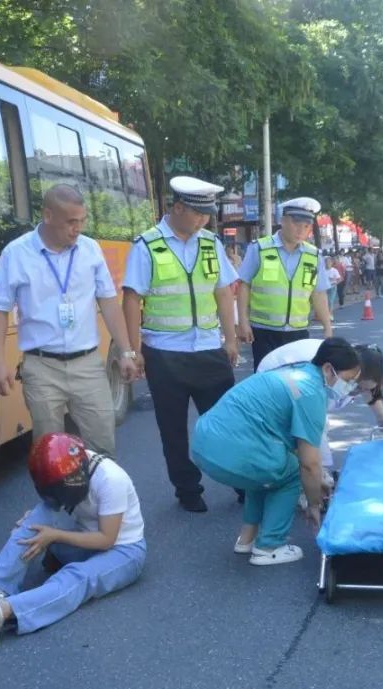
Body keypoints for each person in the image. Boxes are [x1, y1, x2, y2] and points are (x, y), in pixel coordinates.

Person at [0, 432, 146, 643]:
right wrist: (31, 524)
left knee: (77, 576)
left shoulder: (111, 479)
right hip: (85, 538)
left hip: (124, 552)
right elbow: (52, 508)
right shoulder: (64, 472)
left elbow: (107, 539)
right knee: (36, 519)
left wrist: (55, 535)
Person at [0, 184, 137, 455]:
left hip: (88, 365)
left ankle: (98, 499)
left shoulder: (90, 250)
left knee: (103, 447)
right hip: (42, 367)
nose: (77, 228)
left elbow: (109, 303)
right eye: (71, 222)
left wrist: (126, 351)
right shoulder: (17, 253)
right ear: (48, 215)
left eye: (81, 221)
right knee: (50, 453)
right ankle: (58, 500)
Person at [122, 176, 239, 513]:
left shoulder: (210, 243)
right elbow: (132, 299)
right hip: (164, 353)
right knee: (173, 430)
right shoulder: (148, 245)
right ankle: (187, 489)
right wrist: (134, 350)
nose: (203, 220)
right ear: (176, 208)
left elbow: (222, 291)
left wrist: (230, 339)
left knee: (226, 425)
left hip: (207, 349)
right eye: (197, 214)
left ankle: (243, 482)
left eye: (207, 215)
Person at [191, 338, 362, 565]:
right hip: (230, 452)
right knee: (291, 472)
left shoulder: (294, 371)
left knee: (267, 469)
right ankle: (269, 546)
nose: (348, 388)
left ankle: (247, 538)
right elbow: (309, 464)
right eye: (348, 380)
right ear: (329, 369)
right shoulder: (311, 392)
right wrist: (313, 503)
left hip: (203, 443)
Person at [258, 338, 383, 476]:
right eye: (357, 387)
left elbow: (369, 389)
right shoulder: (324, 372)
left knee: (307, 435)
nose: (357, 392)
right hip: (274, 372)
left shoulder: (351, 367)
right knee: (302, 430)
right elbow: (315, 425)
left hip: (290, 373)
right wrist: (319, 470)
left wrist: (382, 417)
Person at [237, 197, 333, 369]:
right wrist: (243, 322)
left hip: (298, 331)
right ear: (282, 220)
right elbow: (244, 285)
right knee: (266, 380)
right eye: (296, 224)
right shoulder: (260, 248)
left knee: (295, 382)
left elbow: (318, 293)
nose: (301, 230)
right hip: (264, 331)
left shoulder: (313, 255)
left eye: (306, 226)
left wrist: (327, 327)